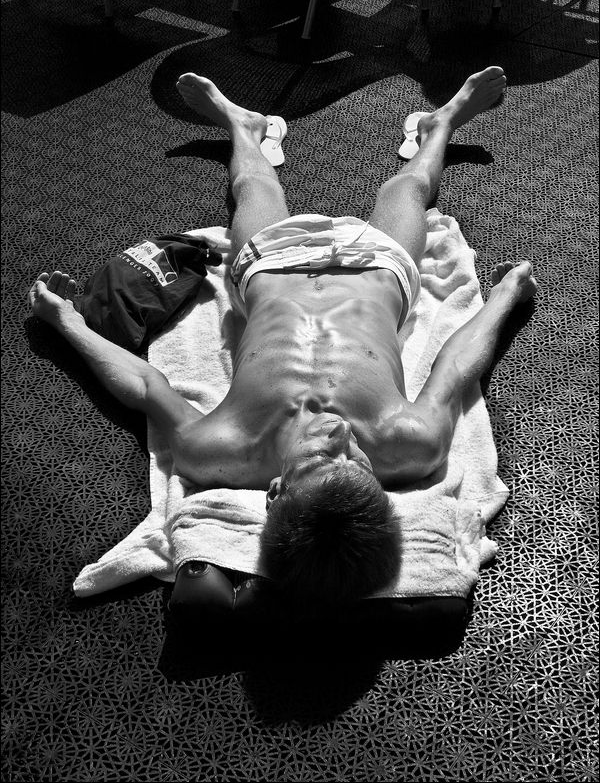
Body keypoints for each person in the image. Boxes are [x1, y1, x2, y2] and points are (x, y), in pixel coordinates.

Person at [29, 67, 537, 610]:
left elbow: (145, 386)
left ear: (275, 491)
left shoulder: (220, 450)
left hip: (268, 268)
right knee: (408, 189)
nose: (342, 437)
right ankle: (444, 122)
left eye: (322, 459)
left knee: (253, 187)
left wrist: (67, 323)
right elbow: (455, 366)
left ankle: (241, 125)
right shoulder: (411, 443)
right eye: (359, 463)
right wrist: (505, 296)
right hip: (378, 268)